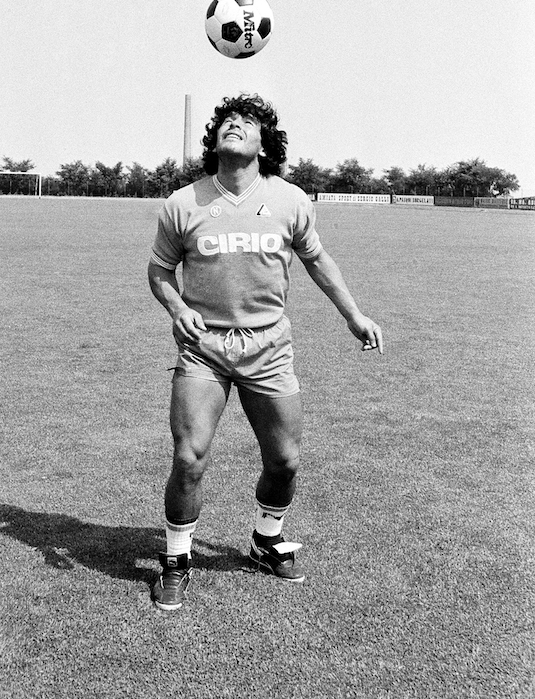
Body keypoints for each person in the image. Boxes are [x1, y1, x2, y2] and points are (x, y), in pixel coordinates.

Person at [147, 93, 383, 611]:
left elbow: (319, 263)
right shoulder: (183, 202)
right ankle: (177, 558)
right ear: (214, 139)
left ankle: (265, 538)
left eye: (246, 122)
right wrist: (175, 308)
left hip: (269, 348)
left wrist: (354, 315)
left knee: (285, 461)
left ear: (264, 143)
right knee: (188, 458)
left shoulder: (290, 200)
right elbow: (160, 271)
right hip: (204, 347)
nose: (233, 125)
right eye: (226, 121)